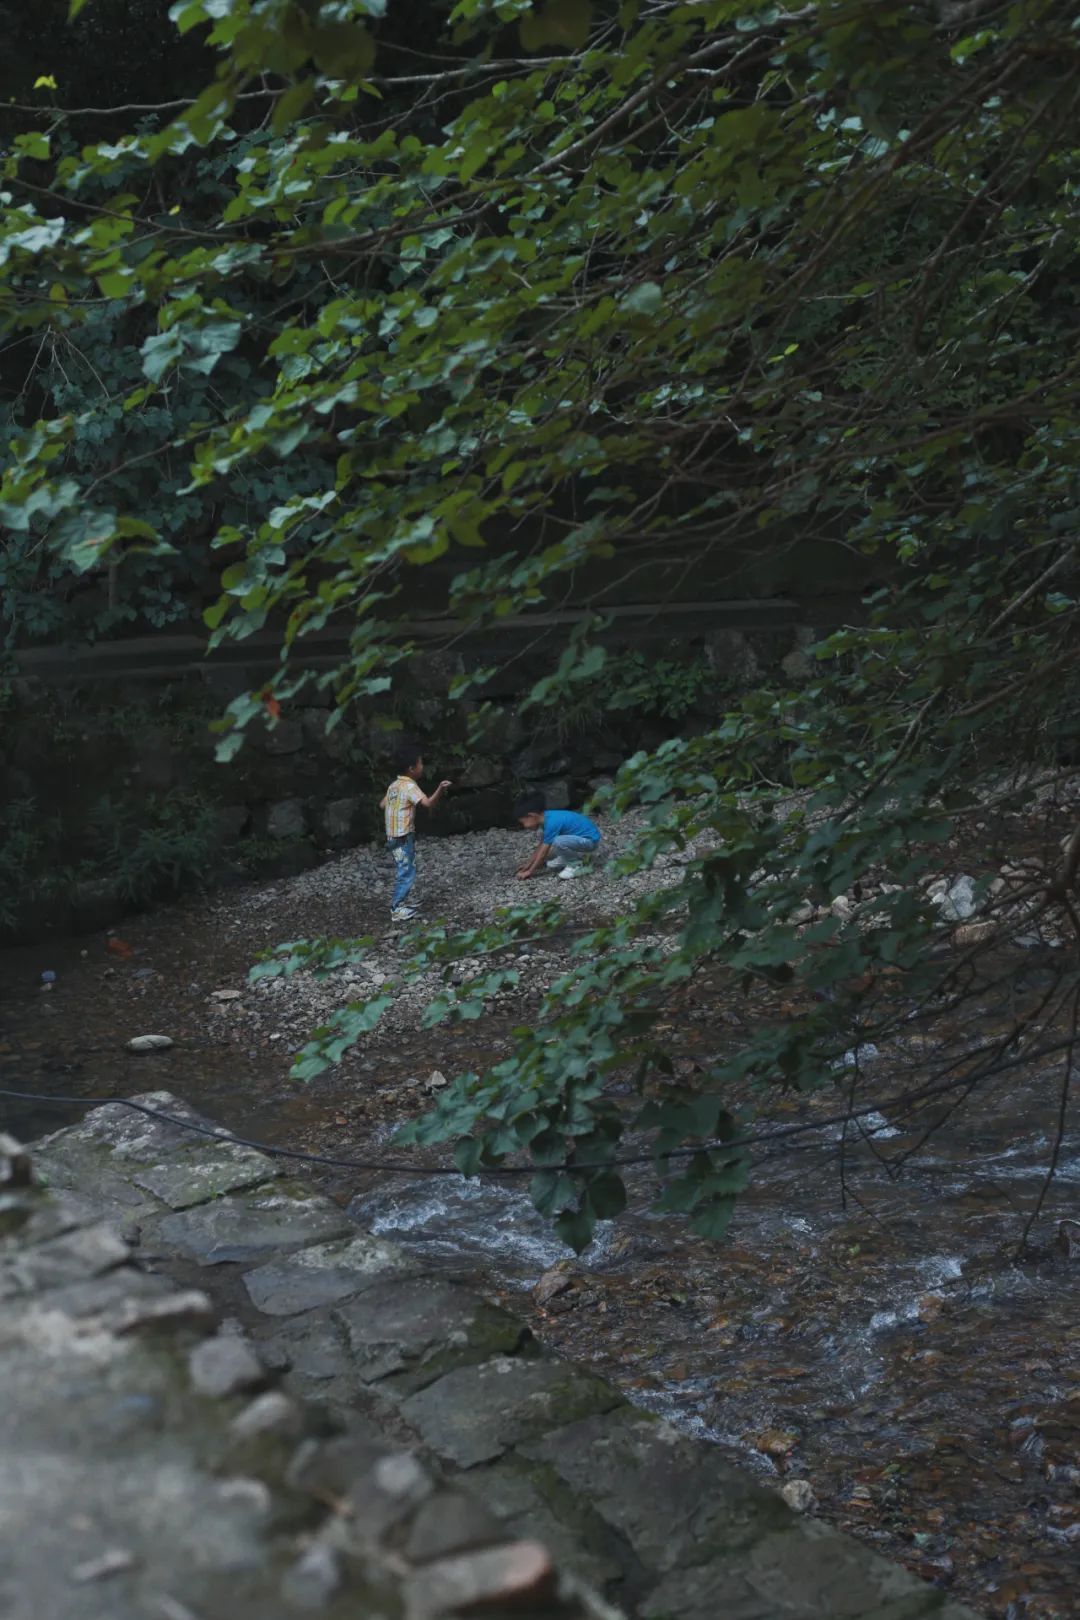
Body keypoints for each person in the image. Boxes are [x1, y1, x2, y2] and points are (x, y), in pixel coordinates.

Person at [380, 740, 451, 920]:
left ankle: (401, 903)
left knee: (403, 868)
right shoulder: (409, 786)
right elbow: (427, 803)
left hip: (392, 836)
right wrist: (440, 789)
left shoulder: (394, 786)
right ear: (412, 768)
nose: (422, 767)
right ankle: (396, 909)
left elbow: (382, 804)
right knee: (407, 871)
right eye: (421, 763)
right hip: (403, 836)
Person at [514, 791, 602, 881]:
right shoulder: (547, 818)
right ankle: (566, 858)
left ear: (531, 815)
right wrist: (528, 865)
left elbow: (543, 852)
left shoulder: (552, 823)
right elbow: (541, 846)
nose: (524, 826)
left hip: (590, 841)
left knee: (558, 841)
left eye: (523, 822)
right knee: (550, 840)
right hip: (579, 839)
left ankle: (575, 865)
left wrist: (530, 872)